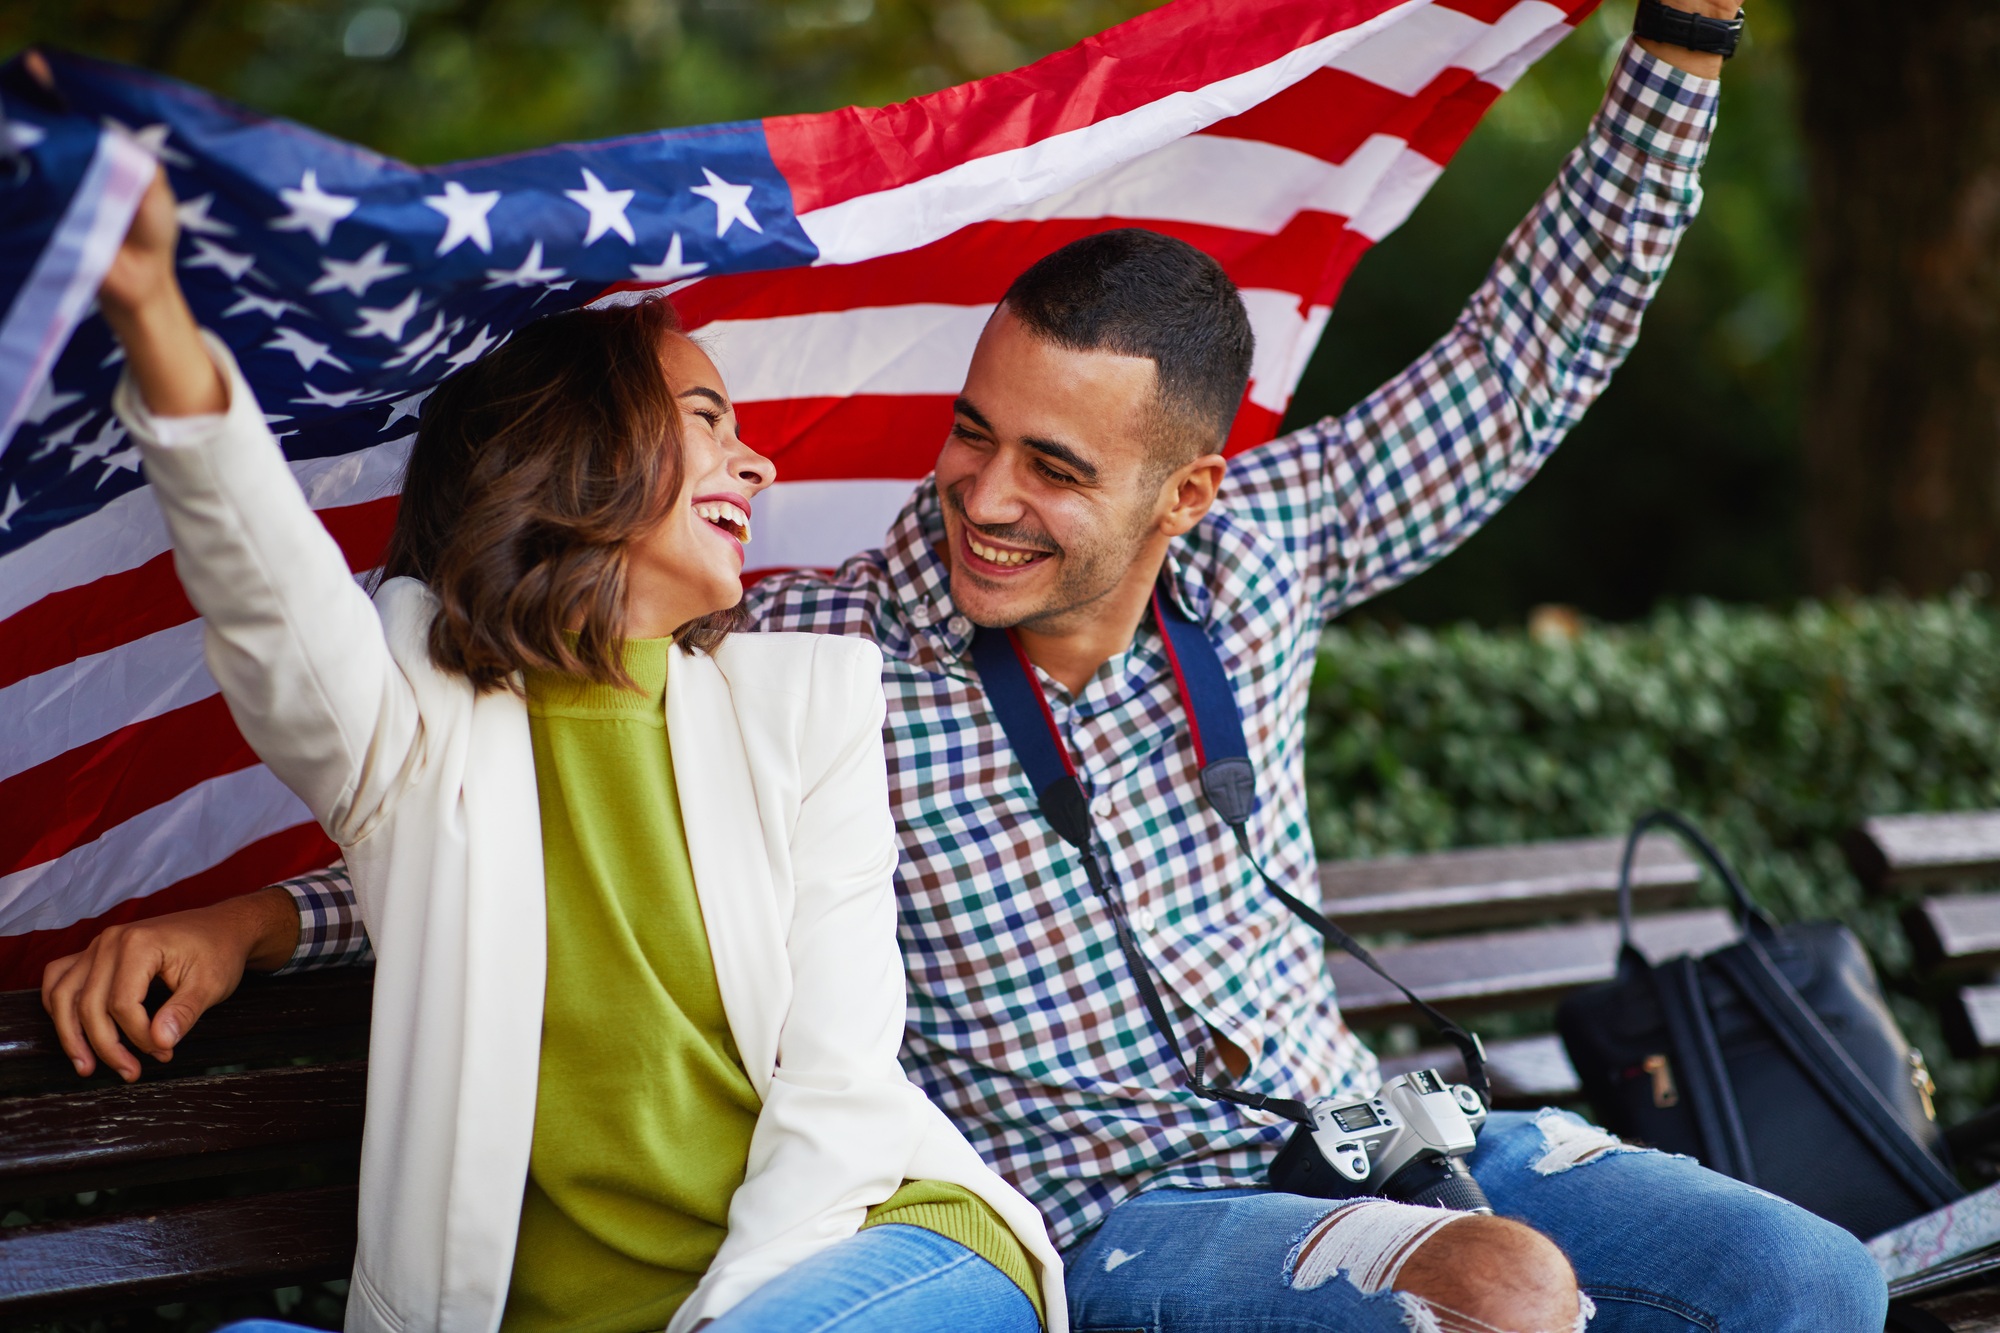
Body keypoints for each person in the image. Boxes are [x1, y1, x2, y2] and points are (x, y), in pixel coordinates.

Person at [47, 9, 1890, 1332]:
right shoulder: (815, 648)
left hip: (1374, 1140)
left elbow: (1528, 361)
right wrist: (266, 923)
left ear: (1190, 489)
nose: (983, 500)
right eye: (973, 434)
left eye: (1058, 470)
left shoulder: (1273, 549)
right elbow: (503, 802)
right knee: (1496, 1295)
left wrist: (1688, 35)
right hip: (1111, 1225)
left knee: (1813, 1277)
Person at [77, 166, 1064, 1333]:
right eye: (707, 420)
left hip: (869, 1252)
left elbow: (840, 1088)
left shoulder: (811, 709)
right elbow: (265, 593)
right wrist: (150, 307)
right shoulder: (411, 721)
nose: (757, 464)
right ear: (579, 448)